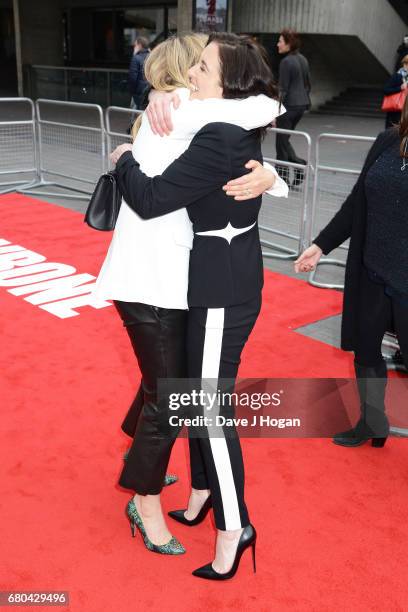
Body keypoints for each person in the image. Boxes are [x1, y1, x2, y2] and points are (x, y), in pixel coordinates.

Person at [95, 33, 286, 566]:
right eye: (195, 66)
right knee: (172, 395)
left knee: (179, 393)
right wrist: (128, 153)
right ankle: (147, 498)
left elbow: (254, 120)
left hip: (185, 283)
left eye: (207, 67)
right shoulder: (170, 122)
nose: (197, 76)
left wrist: (273, 179)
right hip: (152, 282)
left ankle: (180, 480)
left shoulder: (196, 120)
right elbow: (157, 196)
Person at [294, 97, 408, 448]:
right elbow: (357, 201)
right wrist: (321, 244)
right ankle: (372, 423)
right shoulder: (387, 141)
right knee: (367, 352)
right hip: (372, 269)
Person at [275, 28, 311, 187]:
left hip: (289, 107)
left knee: (281, 143)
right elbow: (307, 84)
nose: (278, 44)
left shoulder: (286, 62)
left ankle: (286, 177)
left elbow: (283, 89)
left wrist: (274, 113)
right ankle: (298, 168)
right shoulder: (303, 59)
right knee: (284, 141)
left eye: (280, 41)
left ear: (288, 44)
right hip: (301, 105)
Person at [383, 54, 408, 129]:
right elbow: (386, 90)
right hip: (396, 111)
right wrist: (399, 88)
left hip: (405, 111)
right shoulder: (397, 76)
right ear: (404, 64)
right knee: (394, 134)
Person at [129, 36, 150, 110]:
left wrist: (132, 91)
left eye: (135, 45)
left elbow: (133, 78)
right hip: (151, 89)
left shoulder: (136, 58)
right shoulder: (152, 56)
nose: (134, 47)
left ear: (140, 45)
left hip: (139, 91)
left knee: (139, 111)